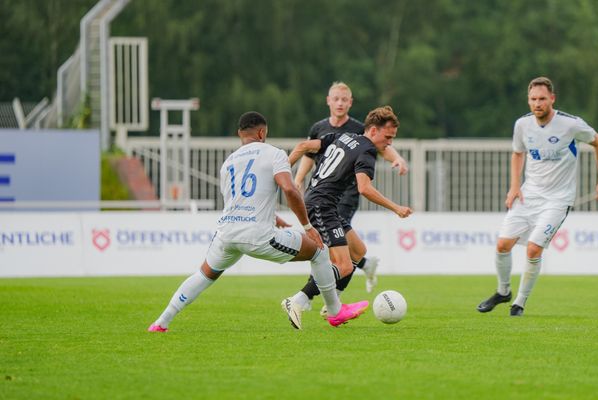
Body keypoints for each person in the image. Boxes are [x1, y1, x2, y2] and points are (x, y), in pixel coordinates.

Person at [147, 111, 368, 332]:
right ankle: (335, 311)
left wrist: (273, 217)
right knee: (319, 251)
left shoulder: (229, 162)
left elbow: (238, 201)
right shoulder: (274, 153)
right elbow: (290, 189)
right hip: (257, 235)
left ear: (239, 134)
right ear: (262, 132)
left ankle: (161, 322)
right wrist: (308, 227)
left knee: (204, 275)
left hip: (226, 234)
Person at [477, 77, 598, 316]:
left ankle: (519, 302)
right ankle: (503, 292)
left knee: (533, 249)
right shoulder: (522, 125)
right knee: (502, 244)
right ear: (528, 101)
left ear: (552, 99)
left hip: (558, 200)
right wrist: (514, 187)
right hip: (529, 195)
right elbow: (518, 154)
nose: (537, 103)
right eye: (533, 99)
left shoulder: (570, 125)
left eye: (542, 99)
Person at [282, 105, 412, 324]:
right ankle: (297, 300)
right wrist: (396, 208)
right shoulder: (367, 150)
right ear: (372, 131)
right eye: (388, 137)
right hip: (322, 206)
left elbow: (304, 146)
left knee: (358, 252)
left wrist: (284, 173)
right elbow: (364, 189)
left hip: (323, 204)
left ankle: (333, 307)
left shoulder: (345, 136)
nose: (389, 143)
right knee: (343, 266)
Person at [294, 82, 409, 294]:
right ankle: (308, 298)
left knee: (341, 251)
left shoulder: (358, 129)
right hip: (324, 196)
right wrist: (298, 179)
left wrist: (398, 158)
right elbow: (308, 153)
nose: (339, 103)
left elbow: (383, 146)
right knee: (340, 255)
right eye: (336, 99)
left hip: (345, 196)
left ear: (350, 103)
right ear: (328, 100)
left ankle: (330, 301)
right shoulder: (319, 128)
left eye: (344, 99)